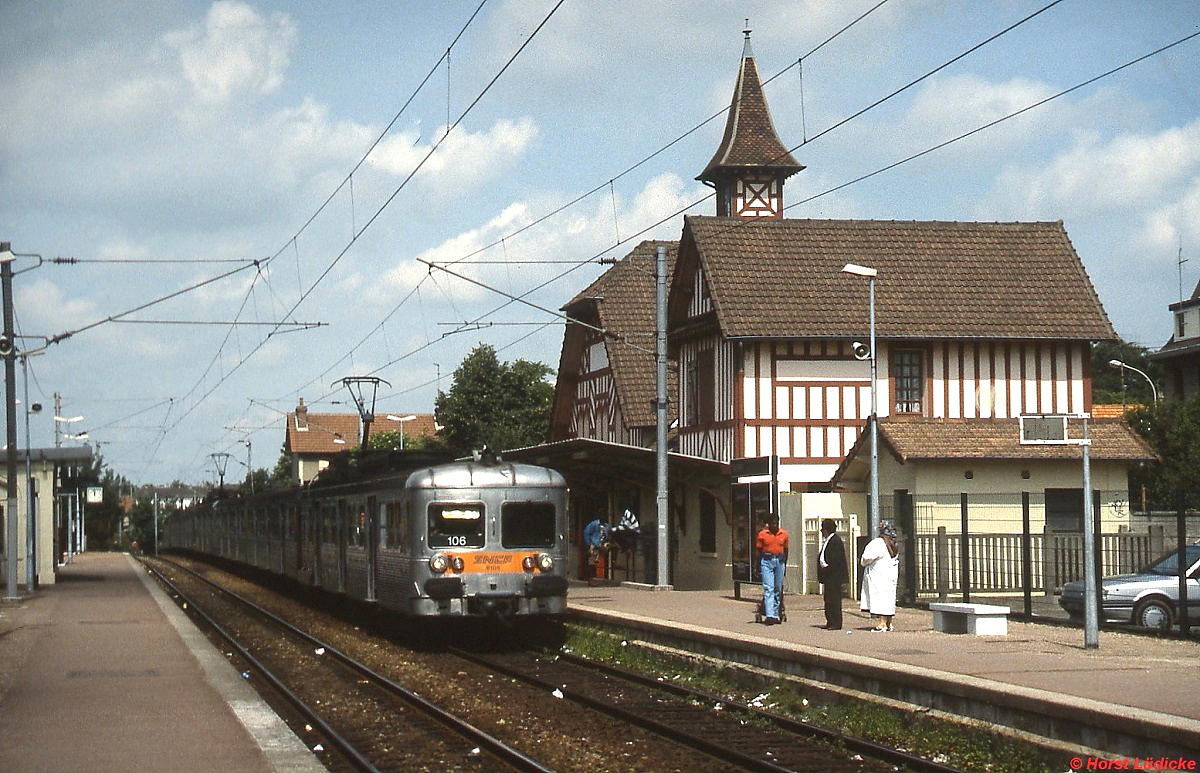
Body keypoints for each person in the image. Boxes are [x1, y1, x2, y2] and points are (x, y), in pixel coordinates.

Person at [860, 520, 899, 632]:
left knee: (879, 598)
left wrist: (864, 562)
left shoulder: (878, 543)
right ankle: (889, 622)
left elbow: (867, 557)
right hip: (890, 574)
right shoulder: (894, 544)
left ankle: (882, 623)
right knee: (889, 597)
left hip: (878, 574)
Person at [755, 515, 789, 625]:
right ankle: (769, 615)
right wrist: (757, 566)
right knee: (768, 587)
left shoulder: (784, 534)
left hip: (779, 560)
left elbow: (786, 550)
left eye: (776, 523)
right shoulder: (762, 534)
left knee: (778, 588)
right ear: (769, 524)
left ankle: (775, 614)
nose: (775, 525)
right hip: (767, 560)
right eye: (773, 523)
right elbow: (758, 551)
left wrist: (785, 565)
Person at [817, 518, 848, 630]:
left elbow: (835, 560)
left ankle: (836, 622)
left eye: (823, 529)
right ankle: (830, 621)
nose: (821, 531)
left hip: (833, 576)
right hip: (828, 576)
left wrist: (827, 568)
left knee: (834, 599)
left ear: (827, 530)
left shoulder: (835, 541)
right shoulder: (829, 540)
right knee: (828, 599)